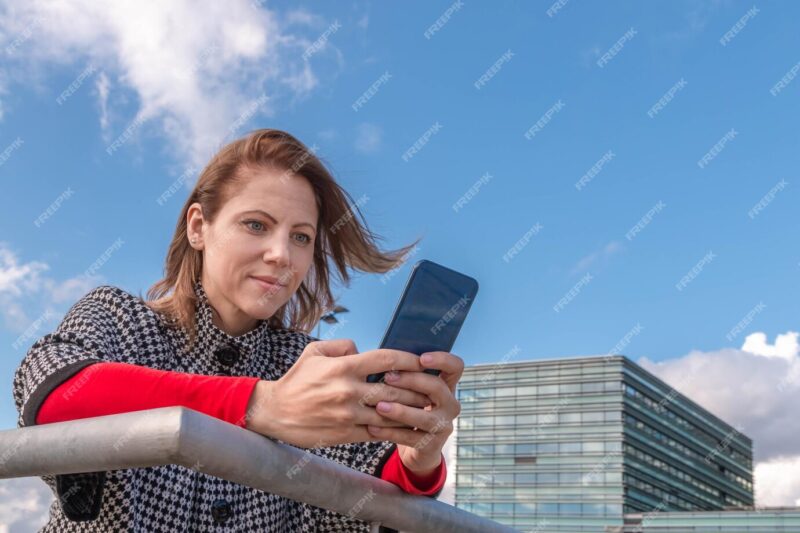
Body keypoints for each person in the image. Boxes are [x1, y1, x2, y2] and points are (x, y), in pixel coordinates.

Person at [12, 128, 464, 532]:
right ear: (198, 227)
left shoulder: (306, 365)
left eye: (301, 237)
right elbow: (53, 394)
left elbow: (368, 486)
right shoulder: (121, 318)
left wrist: (417, 458)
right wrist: (259, 405)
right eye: (256, 225)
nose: (282, 255)